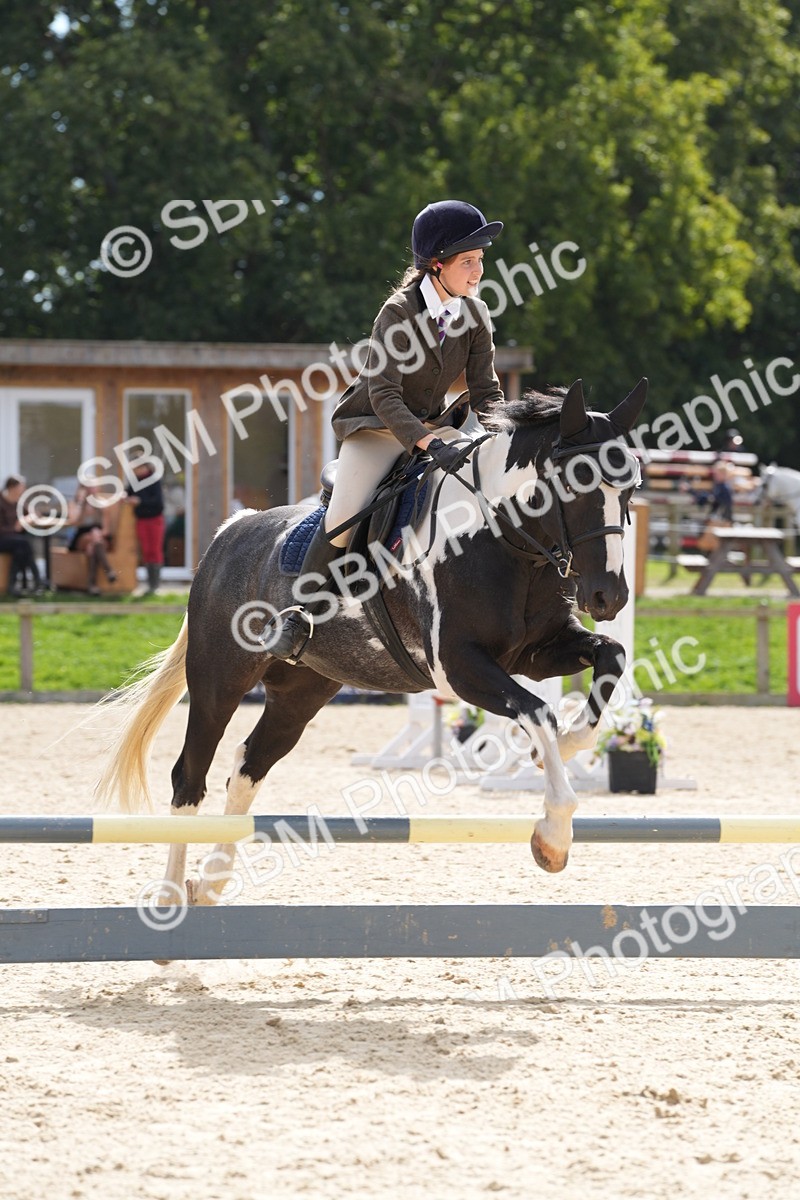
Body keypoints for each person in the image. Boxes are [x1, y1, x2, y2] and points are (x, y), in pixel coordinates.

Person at [267, 199, 505, 661]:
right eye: (469, 262)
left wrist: (503, 436)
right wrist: (427, 441)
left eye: (481, 262)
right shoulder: (397, 312)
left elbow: (486, 391)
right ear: (437, 264)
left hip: (435, 428)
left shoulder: (475, 316)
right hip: (376, 426)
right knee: (344, 515)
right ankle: (301, 612)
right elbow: (384, 395)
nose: (478, 272)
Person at [66, 481, 118, 595]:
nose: (91, 491)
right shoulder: (76, 504)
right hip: (82, 536)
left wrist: (96, 534)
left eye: (93, 488)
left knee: (92, 548)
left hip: (99, 537)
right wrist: (83, 507)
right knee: (94, 539)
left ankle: (91, 585)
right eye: (88, 488)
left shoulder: (102, 505)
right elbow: (74, 522)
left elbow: (106, 530)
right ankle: (108, 570)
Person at [0, 475, 44, 596]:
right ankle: (37, 581)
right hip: (3, 539)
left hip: (15, 542)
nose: (23, 490)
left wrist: (25, 520)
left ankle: (12, 586)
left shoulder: (19, 502)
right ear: (12, 487)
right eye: (21, 487)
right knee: (24, 543)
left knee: (20, 549)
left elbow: (35, 514)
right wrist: (14, 527)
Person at [126, 462, 165, 594]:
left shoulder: (154, 480)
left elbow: (158, 502)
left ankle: (155, 585)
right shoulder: (134, 482)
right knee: (146, 551)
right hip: (141, 520)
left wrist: (140, 502)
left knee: (155, 551)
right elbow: (127, 493)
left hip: (154, 519)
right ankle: (150, 584)